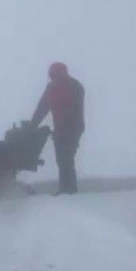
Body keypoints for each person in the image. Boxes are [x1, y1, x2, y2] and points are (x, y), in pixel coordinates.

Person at [31, 63, 85, 194]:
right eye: (52, 76)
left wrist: (66, 129)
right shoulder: (52, 88)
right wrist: (32, 125)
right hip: (60, 129)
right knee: (61, 159)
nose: (53, 78)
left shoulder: (75, 86)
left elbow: (74, 110)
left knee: (66, 157)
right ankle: (65, 189)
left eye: (55, 75)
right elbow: (42, 107)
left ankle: (69, 190)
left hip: (73, 129)